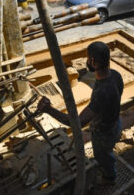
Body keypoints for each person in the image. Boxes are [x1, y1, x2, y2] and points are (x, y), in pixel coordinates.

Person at [37, 41, 124, 186]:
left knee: (103, 156)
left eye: (88, 58)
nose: (86, 61)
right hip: (115, 124)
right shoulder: (115, 75)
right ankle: (108, 166)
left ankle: (110, 178)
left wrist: (49, 110)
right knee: (106, 153)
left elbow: (77, 123)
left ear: (92, 61)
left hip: (104, 135)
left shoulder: (103, 91)